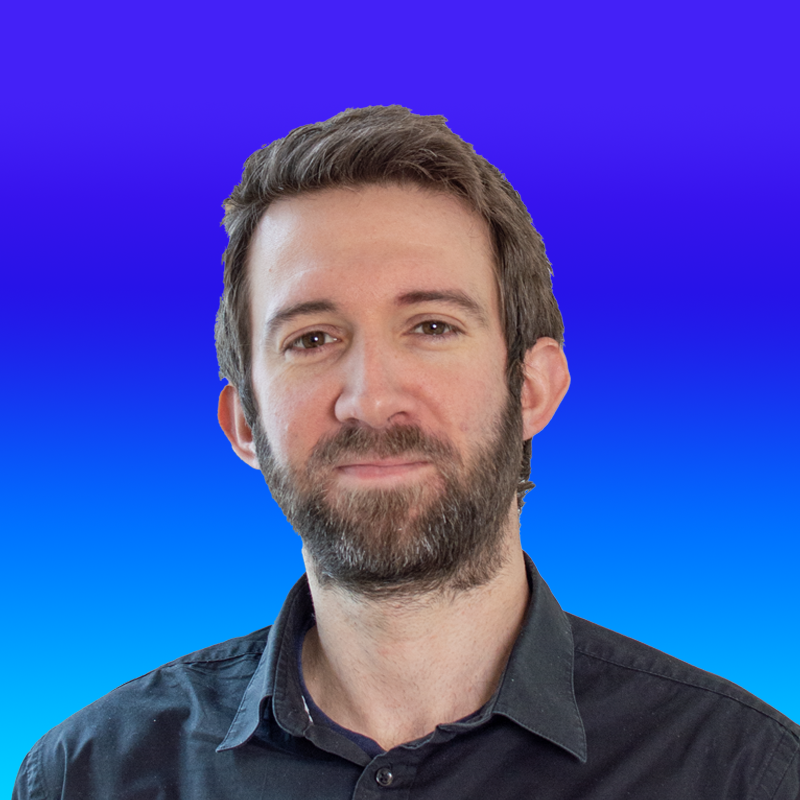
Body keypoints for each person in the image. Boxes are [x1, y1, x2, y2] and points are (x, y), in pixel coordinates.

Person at [14, 106, 799, 799]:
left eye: (431, 327)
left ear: (532, 388)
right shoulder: (88, 779)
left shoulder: (743, 774)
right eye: (312, 339)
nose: (370, 399)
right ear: (244, 423)